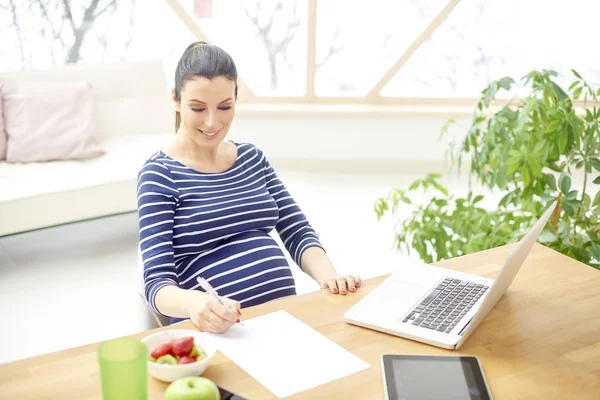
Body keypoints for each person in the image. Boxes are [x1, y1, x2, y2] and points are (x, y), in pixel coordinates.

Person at [137, 41, 361, 334]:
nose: (212, 121)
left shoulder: (251, 158)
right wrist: (194, 303)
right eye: (197, 108)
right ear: (176, 100)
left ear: (235, 98)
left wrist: (329, 277)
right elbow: (157, 285)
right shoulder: (159, 175)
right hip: (214, 332)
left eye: (224, 107)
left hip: (283, 321)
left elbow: (296, 231)